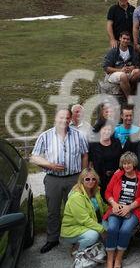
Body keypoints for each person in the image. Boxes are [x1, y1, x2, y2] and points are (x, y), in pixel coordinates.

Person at [30, 108, 89, 253]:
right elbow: (34, 157)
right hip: (53, 179)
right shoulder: (45, 136)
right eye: (61, 117)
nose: (64, 120)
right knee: (53, 211)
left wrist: (82, 176)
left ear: (70, 119)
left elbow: (85, 155)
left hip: (73, 179)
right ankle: (52, 239)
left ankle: (77, 238)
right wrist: (49, 165)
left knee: (76, 210)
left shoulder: (79, 135)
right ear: (55, 118)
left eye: (67, 118)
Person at [104, 152, 140, 268]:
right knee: (112, 229)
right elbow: (107, 192)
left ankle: (118, 258)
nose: (126, 166)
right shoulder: (117, 175)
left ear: (134, 164)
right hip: (116, 208)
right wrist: (114, 203)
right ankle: (109, 260)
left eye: (129, 163)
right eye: (124, 163)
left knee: (125, 230)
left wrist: (129, 207)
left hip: (133, 210)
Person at [60, 168, 106, 253]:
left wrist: (114, 210)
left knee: (109, 228)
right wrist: (102, 230)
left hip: (91, 223)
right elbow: (84, 220)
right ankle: (77, 249)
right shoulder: (76, 197)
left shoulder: (96, 190)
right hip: (74, 228)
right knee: (93, 236)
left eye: (93, 179)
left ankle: (93, 246)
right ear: (81, 180)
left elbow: (103, 207)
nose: (91, 181)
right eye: (87, 179)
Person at [103, 31, 140, 99]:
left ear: (129, 40)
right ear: (120, 38)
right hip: (114, 74)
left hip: (128, 72)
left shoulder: (132, 50)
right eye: (124, 38)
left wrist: (132, 67)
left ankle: (128, 89)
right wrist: (120, 70)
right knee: (123, 76)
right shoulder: (113, 51)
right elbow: (106, 68)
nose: (125, 40)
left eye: (127, 39)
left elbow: (137, 64)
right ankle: (130, 99)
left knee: (138, 72)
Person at [89, 122, 122, 198]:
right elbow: (90, 162)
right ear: (100, 130)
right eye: (104, 129)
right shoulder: (93, 145)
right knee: (99, 202)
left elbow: (121, 159)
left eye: (109, 130)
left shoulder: (117, 143)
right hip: (98, 179)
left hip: (115, 178)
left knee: (114, 200)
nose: (107, 132)